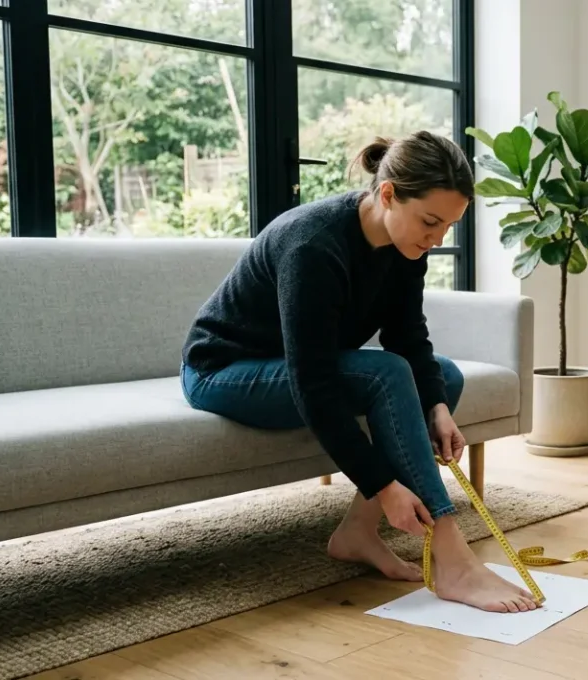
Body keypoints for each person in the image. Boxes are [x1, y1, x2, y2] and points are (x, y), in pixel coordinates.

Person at [179, 131, 539, 614]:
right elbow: (313, 385)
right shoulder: (313, 245)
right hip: (222, 371)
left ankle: (357, 532)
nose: (437, 240)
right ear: (388, 193)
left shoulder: (406, 247)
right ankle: (453, 559)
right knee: (386, 374)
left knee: (445, 379)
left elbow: (407, 336)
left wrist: (437, 406)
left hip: (298, 367)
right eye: (430, 222)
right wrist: (383, 486)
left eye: (448, 227)